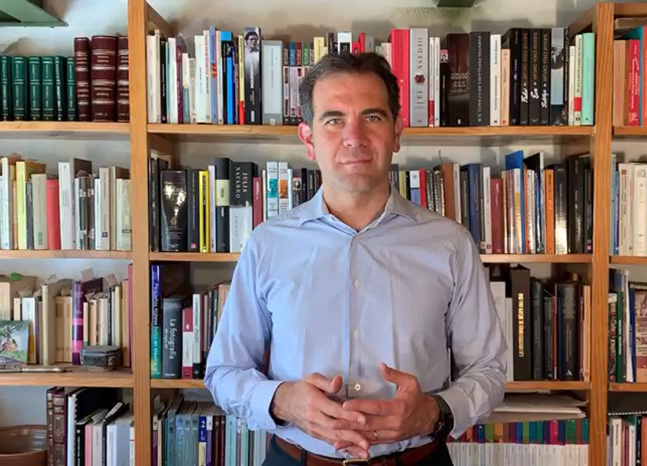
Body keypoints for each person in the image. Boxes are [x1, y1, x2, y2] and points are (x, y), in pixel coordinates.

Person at [205, 52, 507, 466]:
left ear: (397, 132)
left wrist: (432, 413)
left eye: (372, 117)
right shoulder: (267, 244)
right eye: (333, 120)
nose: (354, 136)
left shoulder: (450, 244)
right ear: (308, 139)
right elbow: (224, 372)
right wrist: (282, 400)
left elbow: (488, 370)